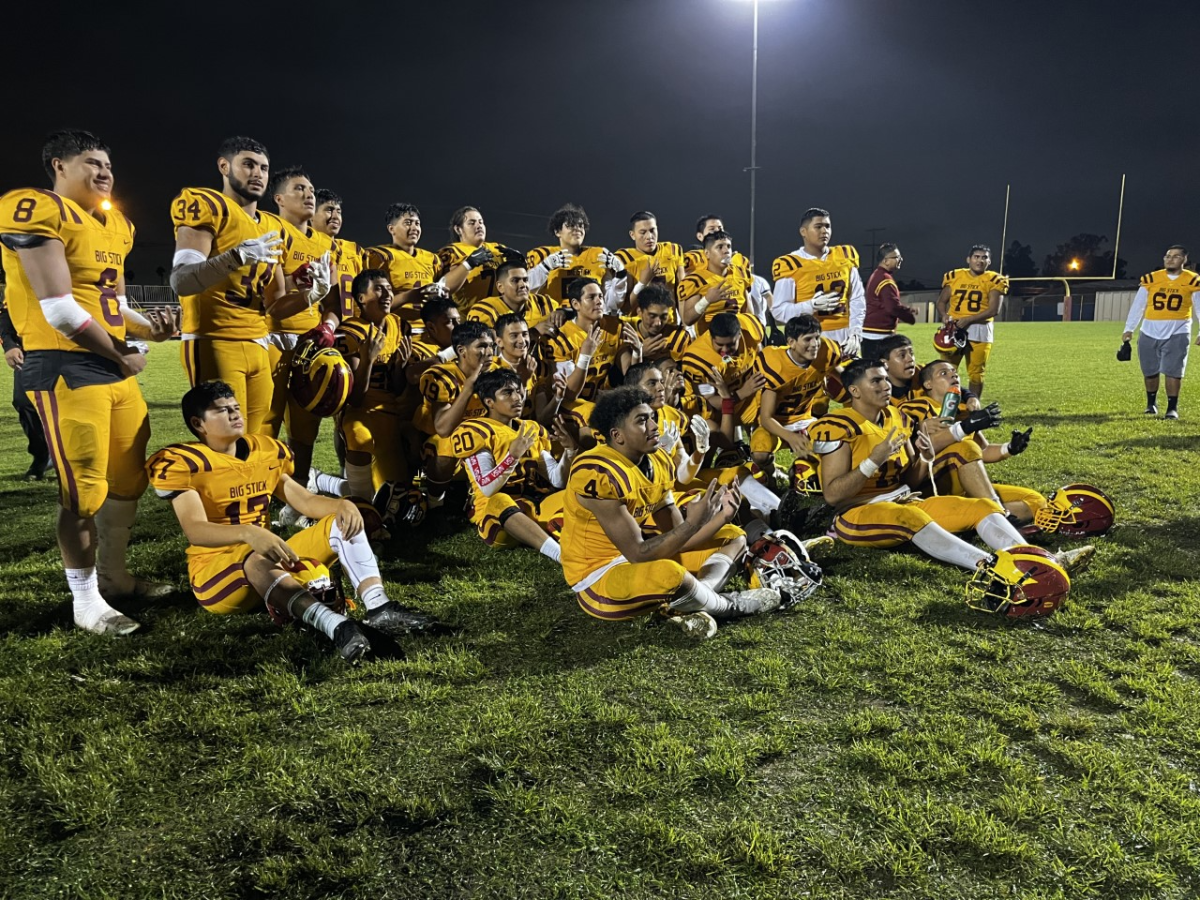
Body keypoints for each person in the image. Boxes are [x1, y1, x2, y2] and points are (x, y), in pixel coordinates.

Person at [0, 130, 177, 633]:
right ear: (58, 165)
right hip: (64, 364)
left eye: (108, 164)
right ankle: (85, 601)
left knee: (127, 478)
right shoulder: (33, 207)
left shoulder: (114, 224)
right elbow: (58, 308)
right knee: (83, 490)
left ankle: (116, 577)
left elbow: (114, 304)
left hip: (110, 364)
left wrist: (150, 329)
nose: (104, 172)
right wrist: (122, 352)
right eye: (91, 162)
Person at [146, 381, 437, 662]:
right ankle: (335, 626)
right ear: (199, 424)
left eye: (236, 407)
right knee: (256, 557)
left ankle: (378, 606)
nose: (235, 414)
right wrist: (248, 533)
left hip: (268, 551)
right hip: (216, 570)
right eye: (222, 410)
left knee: (343, 519)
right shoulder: (185, 462)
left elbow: (304, 501)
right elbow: (195, 530)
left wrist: (341, 504)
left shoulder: (264, 451)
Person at [810, 359, 1092, 576]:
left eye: (885, 380)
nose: (885, 386)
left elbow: (911, 477)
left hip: (907, 498)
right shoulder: (837, 426)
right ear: (854, 391)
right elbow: (834, 495)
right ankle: (993, 568)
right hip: (856, 512)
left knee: (982, 507)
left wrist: (923, 455)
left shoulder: (897, 417)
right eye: (875, 382)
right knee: (911, 518)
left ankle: (1039, 561)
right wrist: (874, 460)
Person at [560, 386, 779, 635]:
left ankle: (696, 599)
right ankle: (729, 605)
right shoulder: (597, 471)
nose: (654, 426)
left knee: (733, 535)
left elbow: (678, 539)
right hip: (599, 575)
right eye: (642, 421)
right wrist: (694, 523)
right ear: (617, 435)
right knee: (671, 573)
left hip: (638, 559)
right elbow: (638, 554)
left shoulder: (658, 460)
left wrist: (720, 517)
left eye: (652, 417)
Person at [169, 136, 311, 433]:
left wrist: (312, 294)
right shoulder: (208, 205)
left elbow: (275, 306)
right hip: (214, 340)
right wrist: (235, 257)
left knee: (257, 438)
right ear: (224, 166)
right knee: (225, 440)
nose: (257, 173)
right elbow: (181, 281)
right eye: (248, 164)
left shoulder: (275, 228)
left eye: (263, 167)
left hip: (258, 343)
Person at [262, 166, 337, 525]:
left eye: (311, 189)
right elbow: (272, 301)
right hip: (273, 336)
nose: (309, 195)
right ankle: (256, 499)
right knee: (265, 426)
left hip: (310, 342)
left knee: (305, 430)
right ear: (278, 199)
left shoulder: (325, 243)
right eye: (299, 189)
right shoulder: (270, 229)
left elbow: (334, 300)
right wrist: (307, 293)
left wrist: (329, 326)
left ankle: (297, 503)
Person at [899, 360, 1043, 524]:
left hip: (966, 488)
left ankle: (980, 521)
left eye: (954, 372)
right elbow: (910, 448)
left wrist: (1009, 448)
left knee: (1035, 501)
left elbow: (982, 449)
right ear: (928, 384)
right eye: (944, 373)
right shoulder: (914, 408)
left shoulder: (962, 411)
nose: (953, 375)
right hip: (930, 487)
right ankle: (998, 515)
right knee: (963, 447)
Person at [451, 368, 571, 557]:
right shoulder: (476, 431)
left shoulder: (530, 427)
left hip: (532, 505)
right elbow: (487, 488)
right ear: (489, 402)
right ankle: (559, 554)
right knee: (500, 500)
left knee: (574, 495)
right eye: (507, 393)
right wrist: (512, 457)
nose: (517, 398)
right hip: (496, 517)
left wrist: (570, 451)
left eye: (518, 391)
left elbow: (557, 479)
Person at [336, 270, 415, 501]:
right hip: (359, 412)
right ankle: (360, 504)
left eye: (389, 288)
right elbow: (355, 398)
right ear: (361, 298)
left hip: (389, 412)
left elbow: (398, 388)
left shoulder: (399, 325)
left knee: (394, 495)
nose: (388, 293)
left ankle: (321, 481)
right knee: (359, 437)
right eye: (379, 288)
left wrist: (400, 366)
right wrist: (368, 361)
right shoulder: (349, 332)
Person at [752, 314, 845, 481]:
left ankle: (812, 472)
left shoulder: (825, 354)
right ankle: (772, 473)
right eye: (808, 339)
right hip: (776, 424)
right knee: (760, 450)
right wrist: (790, 436)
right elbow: (766, 418)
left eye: (817, 338)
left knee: (839, 442)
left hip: (804, 419)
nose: (815, 344)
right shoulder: (776, 364)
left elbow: (847, 380)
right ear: (791, 342)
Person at [416, 320, 496, 506]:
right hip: (436, 442)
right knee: (444, 448)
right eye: (482, 346)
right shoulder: (443, 376)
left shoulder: (497, 371)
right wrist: (468, 389)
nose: (489, 352)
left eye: (491, 346)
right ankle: (435, 502)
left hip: (477, 440)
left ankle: (478, 493)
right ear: (462, 351)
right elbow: (443, 428)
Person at [770, 207, 864, 356]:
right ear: (803, 232)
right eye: (818, 226)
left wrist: (856, 333)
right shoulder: (791, 264)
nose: (824, 231)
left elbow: (857, 299)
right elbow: (779, 310)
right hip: (810, 340)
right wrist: (810, 306)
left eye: (827, 226)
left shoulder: (844, 256)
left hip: (845, 337)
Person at [1121, 245, 1200, 419]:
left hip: (1178, 330)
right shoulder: (1152, 278)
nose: (1170, 259)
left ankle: (1172, 407)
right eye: (1167, 256)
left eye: (1175, 256)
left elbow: (1199, 306)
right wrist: (1129, 328)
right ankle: (1151, 404)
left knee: (1173, 371)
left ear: (1184, 260)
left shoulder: (1192, 280)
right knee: (1149, 371)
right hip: (1149, 329)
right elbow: (1138, 305)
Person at [935, 244, 1009, 399]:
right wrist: (943, 315)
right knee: (947, 369)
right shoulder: (955, 276)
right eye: (976, 256)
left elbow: (994, 310)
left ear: (989, 261)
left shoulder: (995, 279)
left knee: (976, 373)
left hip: (980, 329)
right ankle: (944, 405)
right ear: (968, 259)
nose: (980, 260)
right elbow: (941, 302)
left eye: (984, 257)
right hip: (954, 329)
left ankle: (973, 407)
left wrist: (968, 319)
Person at [680, 312, 767, 441]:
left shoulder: (750, 329)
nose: (725, 350)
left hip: (749, 400)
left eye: (731, 344)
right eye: (719, 345)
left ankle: (757, 449)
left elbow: (761, 354)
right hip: (720, 412)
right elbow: (709, 402)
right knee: (711, 430)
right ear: (711, 336)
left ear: (740, 334)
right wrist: (743, 392)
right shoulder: (698, 359)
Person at [365, 203, 445, 335]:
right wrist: (408, 296)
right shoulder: (380, 257)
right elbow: (370, 307)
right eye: (408, 223)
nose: (414, 228)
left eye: (417, 223)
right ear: (392, 229)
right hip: (395, 331)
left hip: (429, 332)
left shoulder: (432, 259)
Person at [525, 203, 623, 307]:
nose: (577, 229)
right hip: (554, 318)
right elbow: (524, 290)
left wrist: (621, 273)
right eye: (570, 225)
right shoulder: (542, 255)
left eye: (581, 225)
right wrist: (544, 267)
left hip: (589, 318)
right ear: (557, 231)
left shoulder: (599, 254)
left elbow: (609, 300)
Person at [1, 281, 52, 480]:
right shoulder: (21, 280)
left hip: (70, 350)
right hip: (29, 351)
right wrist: (10, 346)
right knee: (23, 401)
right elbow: (6, 317)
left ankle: (78, 459)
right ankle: (42, 456)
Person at [435, 206, 518, 314]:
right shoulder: (451, 252)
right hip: (469, 319)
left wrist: (519, 263)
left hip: (500, 318)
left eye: (481, 222)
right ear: (458, 229)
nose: (478, 226)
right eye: (472, 223)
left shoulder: (497, 249)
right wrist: (468, 264)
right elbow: (441, 288)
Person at [677, 230, 753, 334]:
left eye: (728, 246)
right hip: (709, 343)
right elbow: (688, 319)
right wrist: (707, 300)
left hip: (738, 339)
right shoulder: (696, 280)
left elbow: (748, 313)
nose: (726, 251)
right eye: (720, 247)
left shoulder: (740, 272)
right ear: (707, 253)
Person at [614, 211, 686, 313]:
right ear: (632, 235)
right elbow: (624, 308)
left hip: (669, 324)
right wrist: (643, 283)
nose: (649, 236)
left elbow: (683, 294)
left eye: (652, 230)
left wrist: (685, 325)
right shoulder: (623, 258)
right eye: (643, 232)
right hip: (638, 325)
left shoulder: (672, 250)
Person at [467, 260, 559, 337]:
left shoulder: (543, 303)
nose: (523, 285)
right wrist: (533, 333)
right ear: (500, 287)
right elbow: (481, 350)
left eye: (525, 280)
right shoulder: (485, 311)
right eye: (515, 280)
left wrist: (565, 312)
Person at [312, 188, 363, 324]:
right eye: (329, 210)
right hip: (317, 331)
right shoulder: (303, 247)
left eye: (338, 211)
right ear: (311, 213)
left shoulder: (354, 251)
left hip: (349, 331)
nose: (335, 216)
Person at [862, 244, 916, 350]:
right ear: (886, 261)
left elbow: (884, 303)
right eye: (896, 257)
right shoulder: (885, 279)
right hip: (878, 334)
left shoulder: (877, 275)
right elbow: (892, 307)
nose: (900, 259)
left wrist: (907, 309)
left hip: (870, 332)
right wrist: (909, 317)